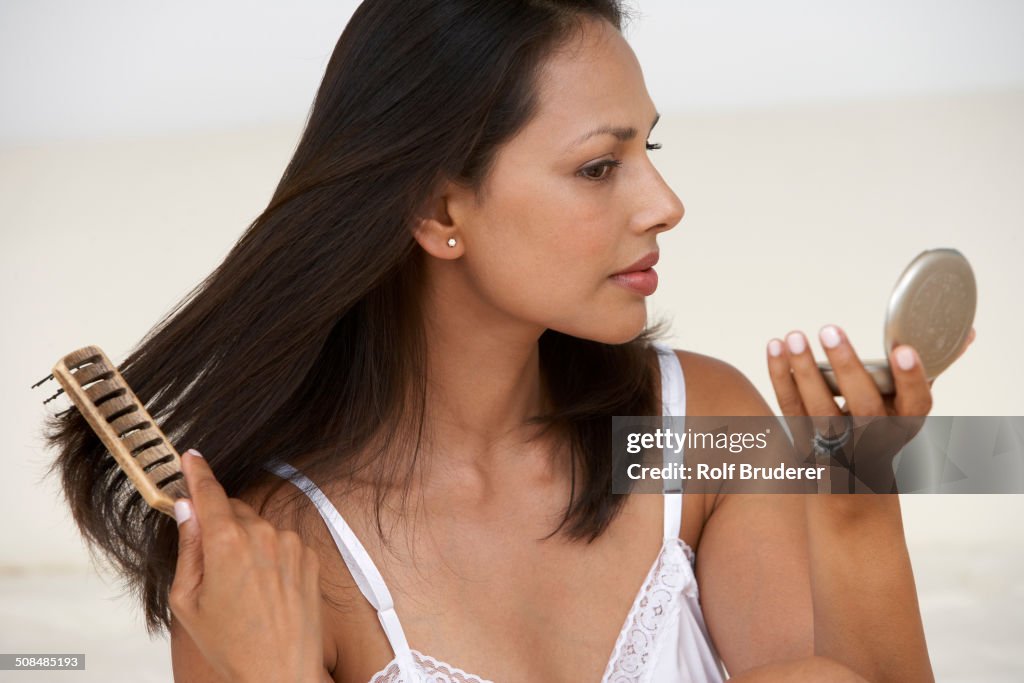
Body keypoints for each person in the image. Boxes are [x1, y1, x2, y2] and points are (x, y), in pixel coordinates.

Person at [44, 1, 974, 681]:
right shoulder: (278, 563)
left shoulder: (700, 433)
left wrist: (855, 493)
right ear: (440, 208)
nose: (665, 204)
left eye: (653, 150)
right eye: (600, 166)